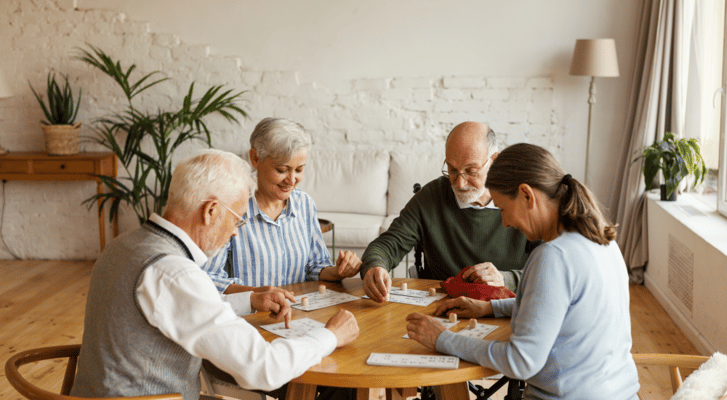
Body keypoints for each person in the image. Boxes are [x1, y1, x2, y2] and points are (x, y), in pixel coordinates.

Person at [70, 149, 359, 400]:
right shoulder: (173, 273)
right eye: (237, 219)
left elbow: (170, 310)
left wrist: (249, 300)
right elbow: (263, 368)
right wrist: (329, 335)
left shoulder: (124, 245)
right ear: (209, 211)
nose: (235, 231)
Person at [405, 143, 640, 399]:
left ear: (527, 195)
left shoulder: (553, 257)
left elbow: (521, 362)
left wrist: (443, 339)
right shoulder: (602, 240)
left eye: (503, 209)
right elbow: (563, 308)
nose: (505, 223)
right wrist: (491, 307)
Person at [361, 121, 538, 302]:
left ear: (493, 161)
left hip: (509, 306)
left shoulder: (522, 198)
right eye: (452, 170)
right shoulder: (431, 196)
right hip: (443, 305)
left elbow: (552, 268)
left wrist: (506, 279)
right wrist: (375, 267)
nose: (460, 184)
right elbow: (386, 245)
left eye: (471, 171)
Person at [203, 118, 362, 295]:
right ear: (255, 158)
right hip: (248, 318)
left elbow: (315, 266)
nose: (292, 180)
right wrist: (257, 296)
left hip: (298, 314)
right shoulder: (230, 207)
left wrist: (338, 271)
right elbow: (209, 278)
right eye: (282, 170)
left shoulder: (304, 204)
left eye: (299, 170)